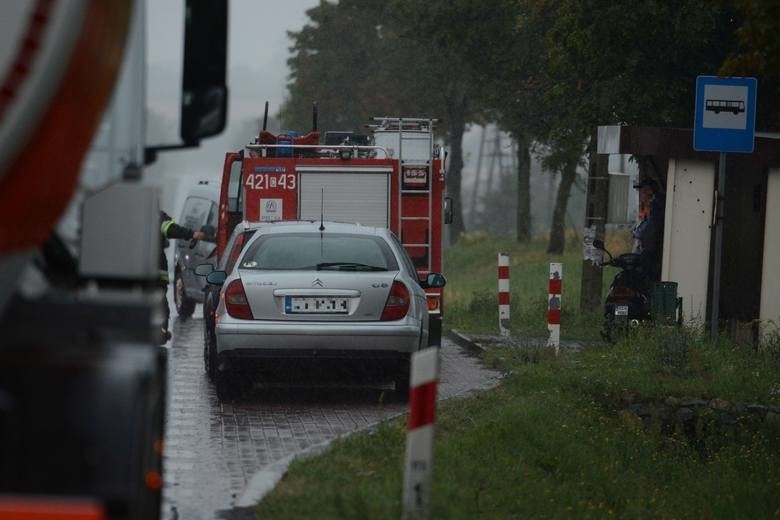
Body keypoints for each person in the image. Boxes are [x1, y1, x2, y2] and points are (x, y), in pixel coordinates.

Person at [160, 211, 205, 342]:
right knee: (160, 304)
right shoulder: (155, 215)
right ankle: (160, 332)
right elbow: (170, 228)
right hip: (154, 272)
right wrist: (192, 234)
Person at [632, 179, 665, 283]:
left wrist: (644, 256)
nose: (640, 194)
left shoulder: (656, 206)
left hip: (651, 257)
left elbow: (651, 233)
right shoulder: (650, 209)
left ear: (649, 192)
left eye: (642, 191)